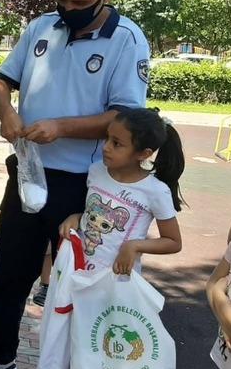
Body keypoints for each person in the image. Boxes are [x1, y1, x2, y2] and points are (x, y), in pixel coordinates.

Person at [0, 0, 150, 369]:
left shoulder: (127, 39)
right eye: (62, 1)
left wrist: (62, 127)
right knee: (10, 274)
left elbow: (125, 118)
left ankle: (76, 364)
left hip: (85, 186)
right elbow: (1, 83)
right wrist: (7, 114)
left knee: (79, 283)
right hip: (28, 174)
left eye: (78, 3)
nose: (68, 10)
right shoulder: (41, 27)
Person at [58, 108, 183, 272]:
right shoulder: (96, 170)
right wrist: (77, 218)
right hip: (78, 270)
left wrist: (134, 246)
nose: (106, 147)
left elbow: (173, 241)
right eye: (107, 138)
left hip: (116, 282)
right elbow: (97, 212)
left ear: (144, 154)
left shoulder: (156, 191)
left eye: (116, 143)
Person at [209, 211, 231, 369]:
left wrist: (219, 294)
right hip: (225, 357)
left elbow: (215, 287)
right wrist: (225, 323)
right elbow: (212, 282)